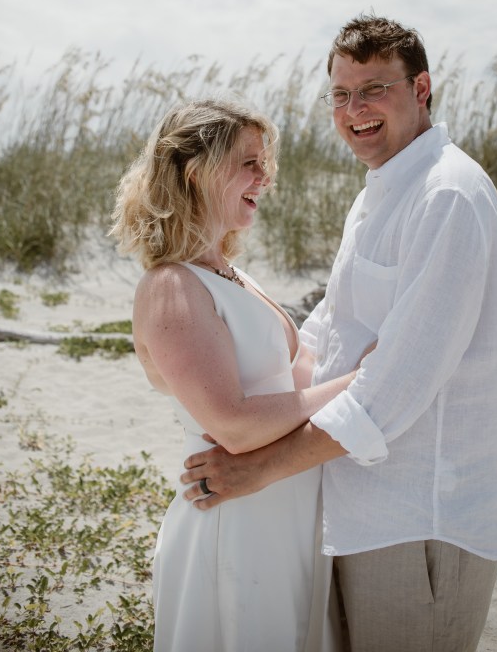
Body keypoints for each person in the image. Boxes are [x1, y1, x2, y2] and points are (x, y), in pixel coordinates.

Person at [181, 15, 497, 652]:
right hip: (352, 510)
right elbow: (328, 338)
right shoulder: (379, 194)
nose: (353, 109)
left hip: (420, 519)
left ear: (421, 88)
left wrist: (256, 469)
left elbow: (394, 387)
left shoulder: (447, 195)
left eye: (372, 90)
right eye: (339, 94)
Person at [110, 97, 361, 652]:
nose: (264, 177)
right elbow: (234, 426)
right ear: (197, 172)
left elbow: (296, 379)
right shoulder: (171, 286)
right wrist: (361, 383)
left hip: (282, 512)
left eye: (264, 162)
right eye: (249, 162)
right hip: (234, 524)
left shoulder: (230, 275)